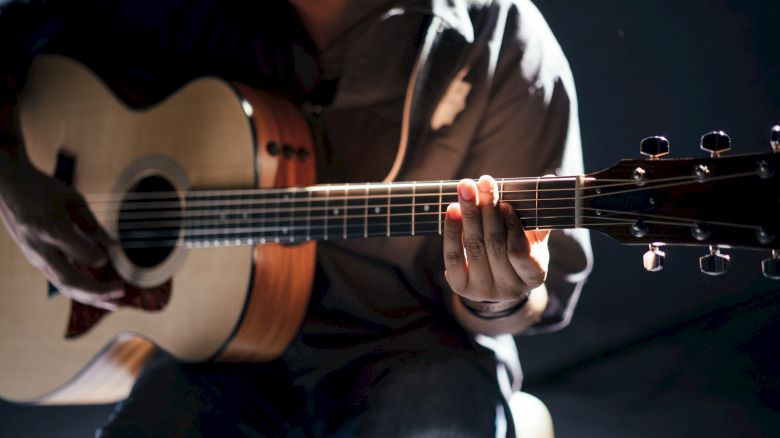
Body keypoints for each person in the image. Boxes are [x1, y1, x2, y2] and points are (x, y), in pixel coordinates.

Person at [0, 0, 592, 436]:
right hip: (215, 357)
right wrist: (13, 183)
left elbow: (531, 300)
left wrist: (498, 294)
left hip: (417, 348)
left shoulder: (503, 38)